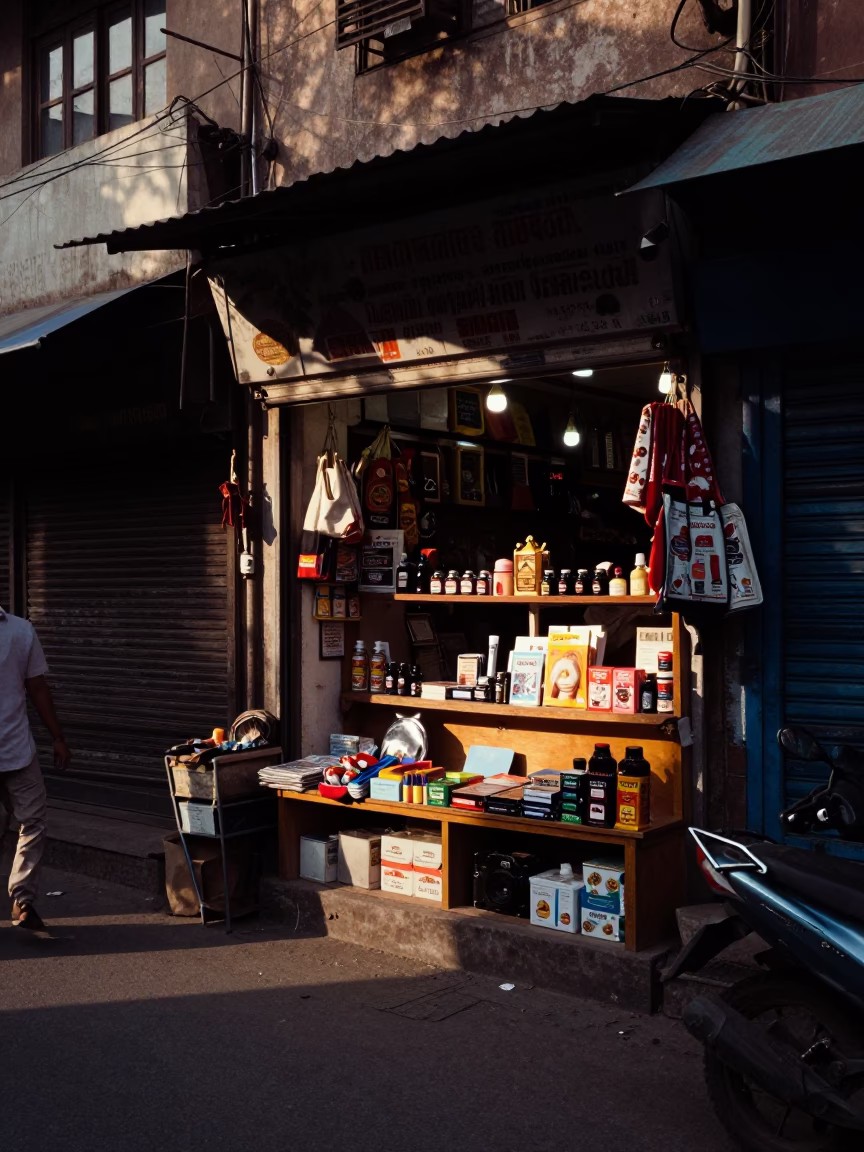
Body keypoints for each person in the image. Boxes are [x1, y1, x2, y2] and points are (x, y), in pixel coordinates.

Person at [0, 605, 70, 930]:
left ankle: (23, 900)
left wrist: (57, 736)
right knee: (30, 823)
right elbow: (38, 687)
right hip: (17, 750)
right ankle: (22, 899)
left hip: (17, 751)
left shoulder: (20, 631)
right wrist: (57, 737)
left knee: (34, 821)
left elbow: (38, 687)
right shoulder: (20, 629)